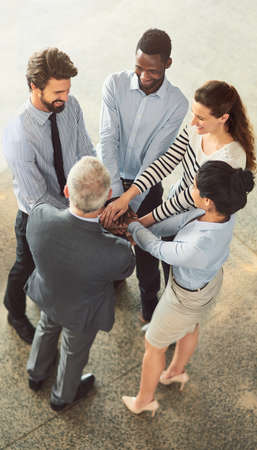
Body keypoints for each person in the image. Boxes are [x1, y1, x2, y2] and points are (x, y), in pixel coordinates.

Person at [121, 160, 254, 416]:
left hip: (184, 298)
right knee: (191, 325)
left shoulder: (200, 246)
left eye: (194, 187)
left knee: (153, 345)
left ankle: (144, 401)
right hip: (207, 284)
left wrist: (133, 227)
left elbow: (160, 249)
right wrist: (141, 228)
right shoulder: (221, 211)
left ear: (207, 201)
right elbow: (176, 224)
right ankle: (176, 372)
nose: (189, 189)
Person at [26, 156, 135, 411]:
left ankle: (36, 373)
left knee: (46, 326)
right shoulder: (116, 251)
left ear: (66, 190)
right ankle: (62, 397)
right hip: (82, 312)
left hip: (49, 296)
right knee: (74, 352)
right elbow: (126, 268)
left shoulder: (40, 216)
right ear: (108, 194)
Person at [3, 47, 95, 344]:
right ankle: (14, 311)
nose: (65, 98)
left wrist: (91, 188)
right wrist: (75, 218)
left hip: (74, 204)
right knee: (25, 265)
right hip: (37, 216)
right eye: (57, 92)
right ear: (34, 86)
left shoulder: (71, 106)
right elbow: (34, 197)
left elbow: (85, 151)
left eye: (67, 90)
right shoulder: (16, 132)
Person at [97, 28, 188, 324]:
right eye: (139, 68)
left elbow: (156, 157)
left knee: (147, 254)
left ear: (168, 64)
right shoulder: (114, 83)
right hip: (110, 181)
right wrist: (114, 197)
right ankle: (113, 279)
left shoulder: (177, 103)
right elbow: (107, 139)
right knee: (106, 238)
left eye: (153, 70)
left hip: (147, 186)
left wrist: (131, 202)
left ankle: (149, 304)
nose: (144, 76)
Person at [102, 80, 256, 227]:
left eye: (201, 118)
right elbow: (166, 163)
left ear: (223, 118)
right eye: (193, 114)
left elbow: (189, 197)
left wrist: (142, 223)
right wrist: (126, 197)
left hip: (198, 217)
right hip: (175, 201)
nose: (192, 123)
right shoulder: (195, 130)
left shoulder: (230, 158)